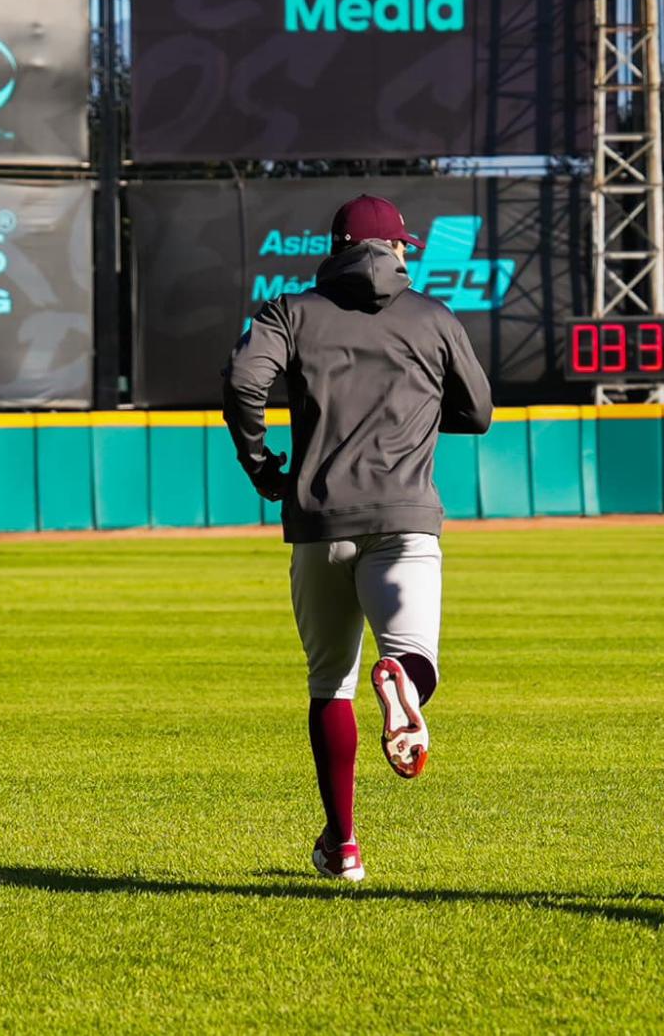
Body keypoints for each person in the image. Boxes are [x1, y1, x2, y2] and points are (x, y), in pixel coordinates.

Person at [223, 194, 492, 883]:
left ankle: (342, 845)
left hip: (320, 521)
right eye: (403, 244)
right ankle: (403, 683)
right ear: (395, 248)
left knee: (330, 684)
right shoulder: (433, 316)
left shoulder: (290, 311)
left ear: (336, 247)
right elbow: (478, 411)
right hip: (405, 521)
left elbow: (243, 382)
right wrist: (410, 411)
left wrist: (261, 464)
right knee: (413, 656)